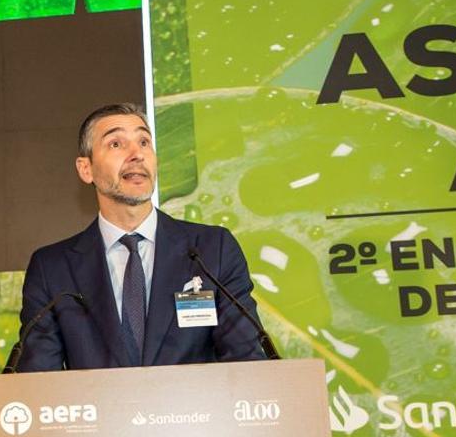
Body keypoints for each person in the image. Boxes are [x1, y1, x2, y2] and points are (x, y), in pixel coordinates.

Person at [14, 103, 269, 371]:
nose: (137, 154)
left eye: (144, 141)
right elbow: (38, 380)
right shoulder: (52, 268)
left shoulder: (211, 249)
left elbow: (246, 360)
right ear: (86, 168)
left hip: (193, 412)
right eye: (116, 144)